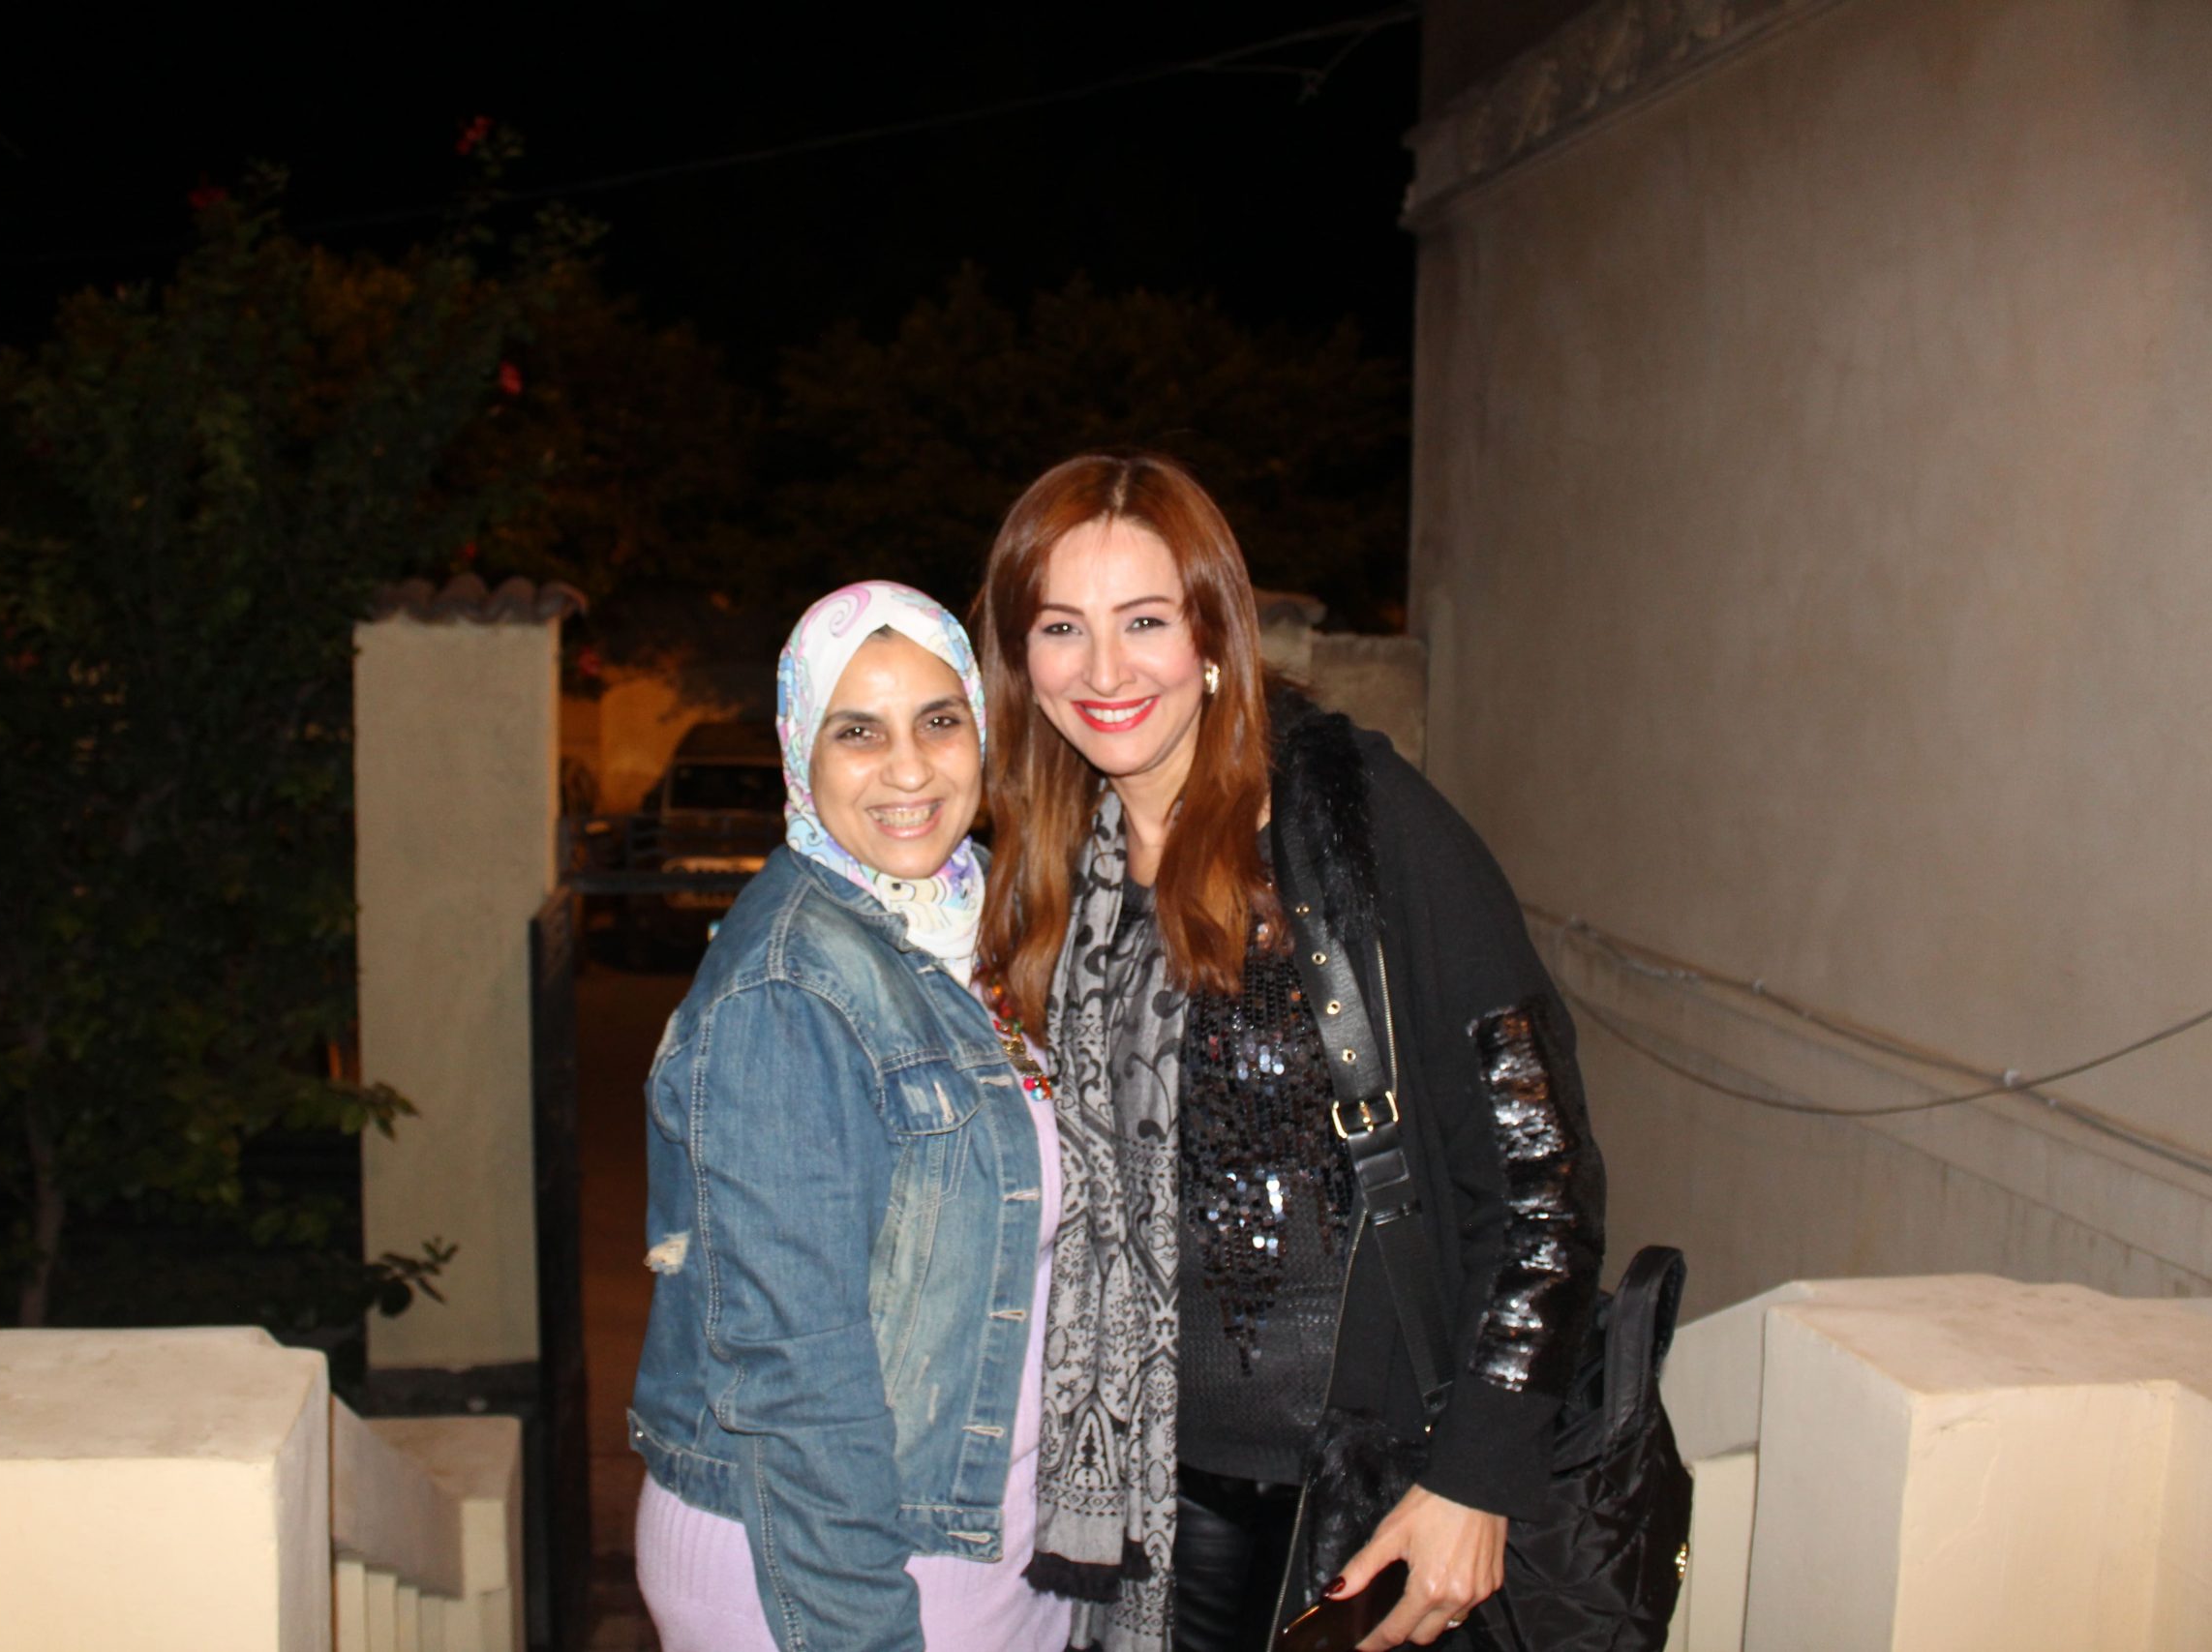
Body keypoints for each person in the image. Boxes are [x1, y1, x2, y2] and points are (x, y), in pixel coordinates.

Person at [975, 454, 1607, 1652]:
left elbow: (1542, 1170)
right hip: (1141, 1503)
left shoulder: (1352, 825)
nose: (1104, 671)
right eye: (1061, 627)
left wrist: (1478, 1475)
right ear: (1021, 659)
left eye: (1144, 621)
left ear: (1213, 634)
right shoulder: (1049, 877)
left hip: (1366, 1504)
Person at [627, 582, 1071, 1652]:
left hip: (980, 1533)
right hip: (838, 1567)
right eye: (858, 731)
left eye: (938, 720)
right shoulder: (790, 989)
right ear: (800, 752)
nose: (909, 770)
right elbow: (795, 1376)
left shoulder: (978, 919)